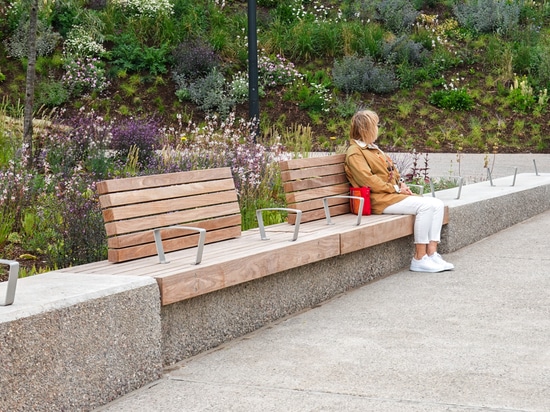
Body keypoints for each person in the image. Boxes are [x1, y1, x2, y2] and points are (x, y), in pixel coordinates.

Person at [344, 109, 454, 273]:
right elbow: (367, 180)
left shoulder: (372, 148)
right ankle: (419, 258)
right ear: (366, 129)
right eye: (376, 125)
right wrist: (395, 188)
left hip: (390, 195)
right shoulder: (355, 152)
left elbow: (393, 171)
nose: (378, 129)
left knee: (437, 204)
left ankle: (431, 254)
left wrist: (401, 184)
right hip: (379, 200)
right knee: (425, 207)